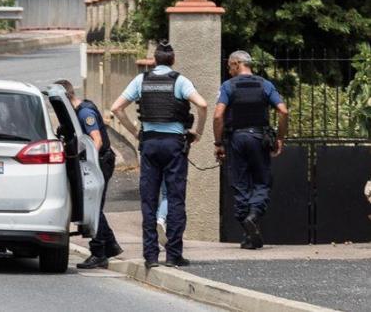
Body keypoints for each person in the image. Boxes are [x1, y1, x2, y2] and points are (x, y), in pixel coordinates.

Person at [110, 41, 207, 269]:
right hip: (174, 145)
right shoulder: (179, 81)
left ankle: (151, 256)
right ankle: (174, 254)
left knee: (149, 199)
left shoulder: (141, 80)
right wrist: (197, 133)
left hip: (150, 143)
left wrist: (136, 133)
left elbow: (116, 108)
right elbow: (202, 105)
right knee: (175, 198)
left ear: (154, 60)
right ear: (172, 60)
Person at [213, 50, 288, 249]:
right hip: (259, 138)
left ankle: (248, 232)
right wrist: (280, 137)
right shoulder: (265, 85)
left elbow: (218, 116)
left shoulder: (228, 86)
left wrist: (218, 143)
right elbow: (283, 110)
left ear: (237, 64)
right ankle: (253, 218)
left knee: (240, 184)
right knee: (262, 181)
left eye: (230, 66)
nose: (229, 71)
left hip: (236, 139)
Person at [55, 79, 122, 269]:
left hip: (100, 163)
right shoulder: (77, 113)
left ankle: (99, 253)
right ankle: (110, 245)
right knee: (93, 206)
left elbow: (97, 140)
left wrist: (88, 164)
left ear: (67, 98)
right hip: (97, 162)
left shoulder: (85, 113)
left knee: (92, 207)